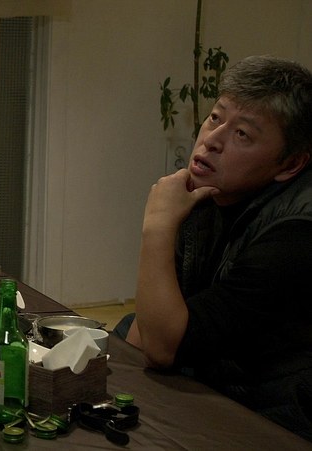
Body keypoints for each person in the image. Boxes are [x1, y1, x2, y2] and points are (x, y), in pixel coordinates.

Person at [123, 55, 312, 440]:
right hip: (215, 371)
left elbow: (163, 347)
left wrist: (157, 226)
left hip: (278, 412)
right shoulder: (209, 191)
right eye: (215, 117)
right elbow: (148, 329)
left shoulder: (297, 234)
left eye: (242, 134)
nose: (211, 140)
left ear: (290, 164)